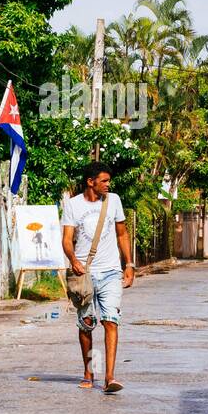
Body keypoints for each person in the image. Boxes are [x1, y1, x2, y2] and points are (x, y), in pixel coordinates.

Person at [61, 161, 134, 393]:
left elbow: (122, 233)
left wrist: (129, 264)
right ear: (90, 182)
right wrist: (73, 261)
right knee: (87, 325)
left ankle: (110, 377)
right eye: (103, 181)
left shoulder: (114, 200)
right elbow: (66, 239)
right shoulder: (73, 205)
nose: (107, 185)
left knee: (110, 320)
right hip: (85, 274)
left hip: (112, 271)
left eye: (108, 181)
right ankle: (89, 372)